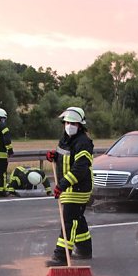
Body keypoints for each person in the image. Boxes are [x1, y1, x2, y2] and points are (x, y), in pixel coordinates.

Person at [46, 107, 94, 266]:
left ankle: (60, 256)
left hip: (78, 188)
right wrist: (54, 156)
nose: (69, 125)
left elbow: (79, 169)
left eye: (72, 123)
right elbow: (64, 158)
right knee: (77, 219)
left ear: (80, 125)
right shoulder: (65, 138)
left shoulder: (84, 142)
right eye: (67, 122)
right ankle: (85, 249)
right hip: (67, 187)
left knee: (69, 220)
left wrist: (62, 185)